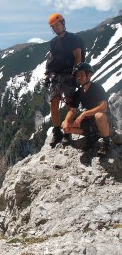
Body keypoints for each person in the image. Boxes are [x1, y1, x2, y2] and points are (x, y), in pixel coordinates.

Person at [45, 13, 85, 147]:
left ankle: (67, 131)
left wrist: (75, 74)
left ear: (63, 23)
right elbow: (52, 59)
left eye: (57, 25)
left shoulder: (73, 39)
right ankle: (57, 131)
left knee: (69, 103)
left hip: (69, 74)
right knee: (53, 103)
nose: (55, 28)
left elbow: (78, 57)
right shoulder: (53, 42)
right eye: (53, 27)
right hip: (57, 75)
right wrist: (47, 75)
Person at [61, 62, 111, 155]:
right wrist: (67, 121)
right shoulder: (79, 92)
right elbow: (73, 110)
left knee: (99, 116)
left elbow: (103, 107)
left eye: (81, 74)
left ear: (89, 75)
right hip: (90, 122)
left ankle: (106, 142)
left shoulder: (97, 88)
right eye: (77, 75)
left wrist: (84, 114)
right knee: (65, 124)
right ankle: (92, 135)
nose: (79, 77)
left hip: (103, 120)